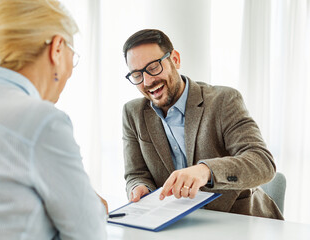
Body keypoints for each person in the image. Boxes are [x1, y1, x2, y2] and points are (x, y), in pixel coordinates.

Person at [122, 29, 284, 220]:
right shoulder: (133, 113)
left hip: (241, 220)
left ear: (175, 59)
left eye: (154, 67)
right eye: (137, 74)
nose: (148, 81)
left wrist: (205, 171)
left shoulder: (224, 101)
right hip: (178, 225)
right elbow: (136, 173)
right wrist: (141, 188)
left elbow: (263, 163)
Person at [0, 0, 107, 239]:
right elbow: (89, 235)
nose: (70, 70)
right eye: (71, 56)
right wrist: (90, 209)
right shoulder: (43, 121)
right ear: (56, 48)